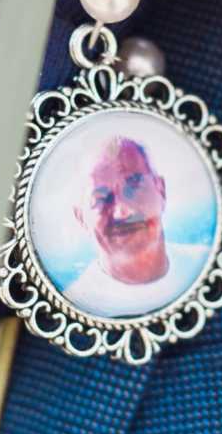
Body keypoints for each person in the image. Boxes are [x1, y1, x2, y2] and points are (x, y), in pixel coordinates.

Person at [60, 135, 209, 318]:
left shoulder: (208, 267)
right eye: (101, 197)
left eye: (134, 185)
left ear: (161, 191)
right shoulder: (73, 309)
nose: (122, 211)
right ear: (80, 217)